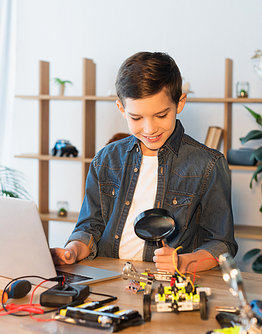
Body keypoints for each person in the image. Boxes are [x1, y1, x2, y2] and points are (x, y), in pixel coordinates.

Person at [50, 52, 237, 273]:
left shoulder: (208, 165)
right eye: (136, 118)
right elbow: (90, 226)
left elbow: (222, 244)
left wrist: (184, 262)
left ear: (180, 103)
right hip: (108, 278)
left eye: (161, 115)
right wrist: (72, 250)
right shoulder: (105, 160)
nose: (149, 129)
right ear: (122, 109)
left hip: (167, 285)